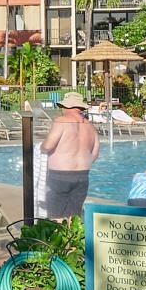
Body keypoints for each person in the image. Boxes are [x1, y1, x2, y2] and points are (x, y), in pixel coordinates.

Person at [40, 90, 101, 219]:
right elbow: (95, 154)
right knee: (74, 218)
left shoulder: (61, 121)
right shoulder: (90, 127)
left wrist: (41, 146)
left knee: (56, 217)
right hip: (82, 176)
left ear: (66, 106)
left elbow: (48, 146)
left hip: (60, 175)